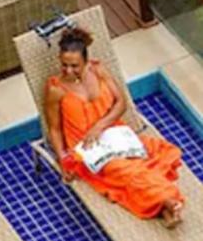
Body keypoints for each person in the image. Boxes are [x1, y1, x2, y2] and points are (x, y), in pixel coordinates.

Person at [44, 26, 185, 228]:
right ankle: (169, 201)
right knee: (124, 169)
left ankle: (163, 208)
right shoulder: (55, 90)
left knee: (135, 165)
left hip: (115, 134)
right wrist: (63, 159)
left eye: (74, 66)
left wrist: (99, 126)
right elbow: (55, 128)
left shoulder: (98, 71)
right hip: (87, 148)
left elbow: (121, 103)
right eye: (64, 65)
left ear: (86, 61)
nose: (68, 70)